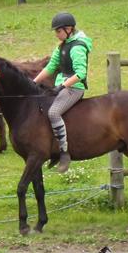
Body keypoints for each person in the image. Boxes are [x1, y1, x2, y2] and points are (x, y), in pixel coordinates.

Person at [33, 11, 93, 173]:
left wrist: (62, 86)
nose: (56, 34)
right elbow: (50, 67)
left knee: (53, 113)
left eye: (58, 31)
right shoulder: (62, 46)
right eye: (56, 31)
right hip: (62, 85)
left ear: (69, 29)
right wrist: (34, 82)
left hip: (74, 88)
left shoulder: (77, 47)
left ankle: (64, 153)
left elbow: (81, 73)